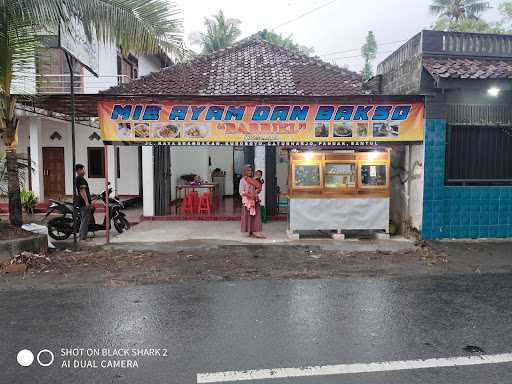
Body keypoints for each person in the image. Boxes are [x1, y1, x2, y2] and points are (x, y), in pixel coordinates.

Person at [239, 165, 264, 238]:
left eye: (251, 170)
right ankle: (250, 231)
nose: (250, 172)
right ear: (245, 171)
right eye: (248, 170)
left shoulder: (253, 180)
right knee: (248, 216)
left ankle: (256, 232)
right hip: (247, 201)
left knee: (256, 216)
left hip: (254, 200)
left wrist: (256, 191)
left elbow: (258, 189)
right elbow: (241, 192)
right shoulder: (242, 180)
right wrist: (249, 195)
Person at [74, 164, 93, 241]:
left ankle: (82, 236)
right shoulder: (81, 179)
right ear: (78, 170)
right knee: (85, 220)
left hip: (80, 202)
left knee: (83, 220)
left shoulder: (77, 179)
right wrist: (87, 202)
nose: (84, 171)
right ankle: (82, 238)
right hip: (83, 203)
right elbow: (82, 191)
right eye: (83, 169)